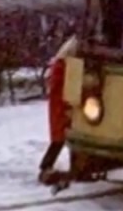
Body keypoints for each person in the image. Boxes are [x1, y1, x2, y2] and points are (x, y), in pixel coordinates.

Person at [39, 34, 78, 185]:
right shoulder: (71, 57)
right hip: (63, 98)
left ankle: (48, 164)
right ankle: (48, 164)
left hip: (61, 97)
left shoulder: (69, 49)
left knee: (62, 134)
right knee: (66, 133)